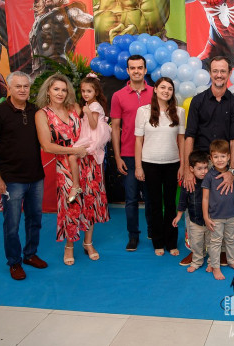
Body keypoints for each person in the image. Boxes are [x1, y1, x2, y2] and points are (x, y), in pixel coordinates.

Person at [35, 73, 109, 265]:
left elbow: (94, 127)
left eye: (64, 89)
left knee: (91, 202)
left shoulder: (75, 107)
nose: (60, 93)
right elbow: (47, 146)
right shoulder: (42, 114)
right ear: (48, 91)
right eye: (56, 89)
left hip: (90, 162)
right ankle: (69, 246)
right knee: (71, 205)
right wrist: (74, 150)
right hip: (66, 165)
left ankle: (88, 242)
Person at [0, 72, 46, 280]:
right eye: (18, 86)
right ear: (9, 89)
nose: (22, 90)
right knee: (12, 224)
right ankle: (14, 262)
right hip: (11, 179)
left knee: (35, 219)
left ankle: (30, 254)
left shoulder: (36, 111)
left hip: (36, 177)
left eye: (26, 86)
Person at [182, 56, 234, 267]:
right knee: (195, 206)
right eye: (215, 71)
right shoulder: (198, 101)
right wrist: (187, 169)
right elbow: (189, 136)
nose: (219, 75)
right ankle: (196, 250)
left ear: (229, 74)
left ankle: (223, 250)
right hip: (199, 163)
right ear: (210, 73)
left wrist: (231, 171)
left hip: (222, 164)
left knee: (224, 206)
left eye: (223, 71)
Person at [135, 77, 185, 257]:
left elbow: (181, 141)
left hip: (172, 164)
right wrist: (138, 166)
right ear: (155, 89)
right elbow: (138, 141)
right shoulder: (143, 111)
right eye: (162, 87)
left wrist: (183, 165)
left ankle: (171, 242)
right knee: (155, 204)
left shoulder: (179, 111)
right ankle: (158, 242)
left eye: (170, 88)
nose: (166, 91)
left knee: (170, 204)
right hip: (150, 164)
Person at [111, 55, 153, 251]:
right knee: (131, 199)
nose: (136, 71)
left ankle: (153, 230)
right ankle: (133, 235)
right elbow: (115, 128)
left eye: (140, 67)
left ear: (145, 70)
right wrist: (117, 156)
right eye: (132, 68)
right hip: (128, 154)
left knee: (152, 197)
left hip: (152, 154)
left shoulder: (155, 93)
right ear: (127, 71)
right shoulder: (118, 96)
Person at [30, 0, 93, 76]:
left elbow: (93, 22)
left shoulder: (69, 13)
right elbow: (40, 16)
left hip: (58, 71)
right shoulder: (40, 19)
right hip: (39, 73)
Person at [67, 75, 111, 204]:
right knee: (74, 158)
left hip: (93, 137)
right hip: (88, 135)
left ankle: (76, 185)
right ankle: (77, 185)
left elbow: (93, 125)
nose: (85, 94)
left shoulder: (95, 106)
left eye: (89, 91)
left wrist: (87, 112)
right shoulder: (89, 104)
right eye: (83, 91)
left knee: (72, 157)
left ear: (96, 92)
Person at [202, 140, 234, 280]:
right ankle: (216, 267)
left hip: (232, 215)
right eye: (216, 157)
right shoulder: (209, 176)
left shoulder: (233, 175)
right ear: (211, 159)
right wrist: (206, 217)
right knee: (216, 242)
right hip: (216, 217)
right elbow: (205, 198)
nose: (219, 160)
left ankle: (231, 261)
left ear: (229, 157)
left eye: (223, 156)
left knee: (230, 239)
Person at [173, 150, 209, 272]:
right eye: (199, 169)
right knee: (196, 243)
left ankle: (212, 263)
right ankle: (197, 261)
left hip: (210, 220)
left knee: (212, 244)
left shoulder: (211, 181)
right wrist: (178, 216)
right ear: (191, 169)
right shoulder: (188, 183)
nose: (203, 171)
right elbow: (182, 200)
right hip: (194, 220)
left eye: (205, 168)